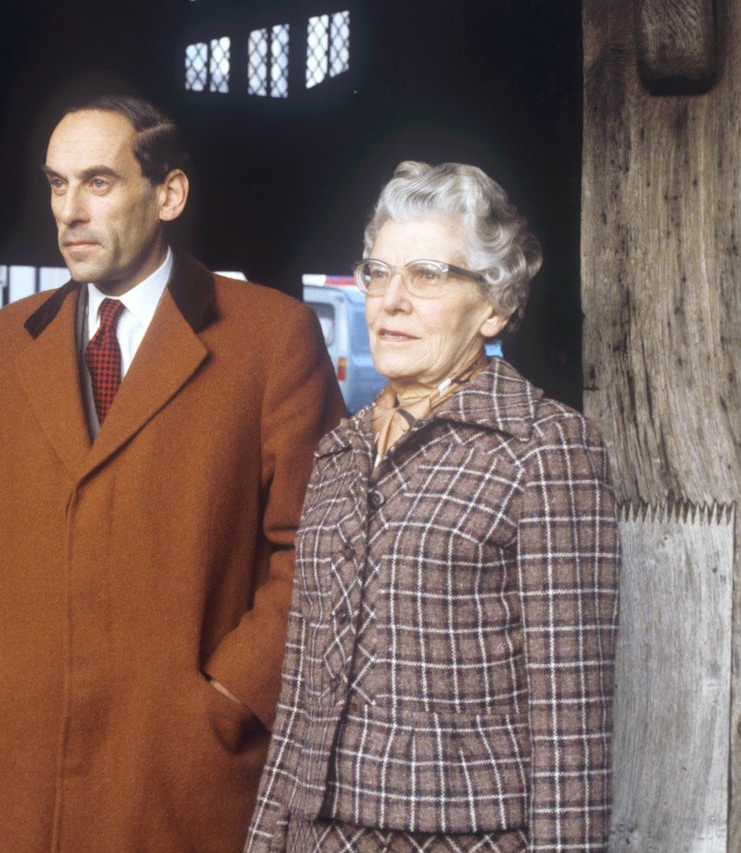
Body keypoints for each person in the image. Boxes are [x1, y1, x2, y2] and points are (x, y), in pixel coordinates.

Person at [0, 94, 346, 851]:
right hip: (9, 761)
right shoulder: (0, 344)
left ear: (170, 194)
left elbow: (320, 551)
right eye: (56, 184)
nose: (69, 211)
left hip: (175, 767)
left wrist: (228, 696)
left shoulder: (270, 336)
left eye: (98, 182)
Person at [247, 161, 620, 852]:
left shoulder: (544, 448)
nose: (391, 300)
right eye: (377, 273)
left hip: (462, 839)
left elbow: (571, 723)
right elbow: (299, 692)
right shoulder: (339, 451)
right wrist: (267, 839)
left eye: (427, 274)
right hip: (319, 835)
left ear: (495, 305)